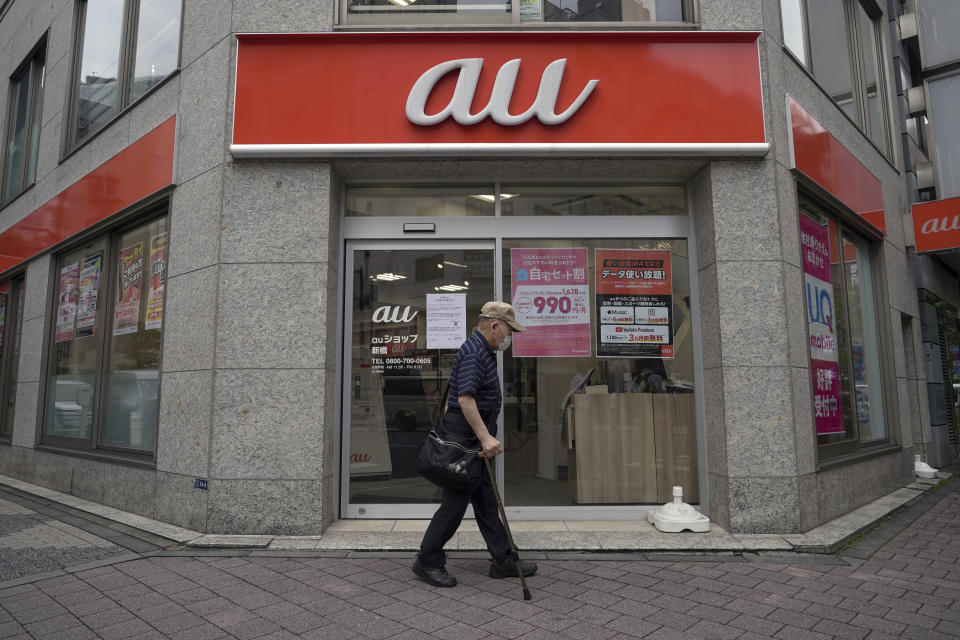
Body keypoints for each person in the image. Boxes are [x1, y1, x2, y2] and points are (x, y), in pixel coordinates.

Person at [413, 301, 538, 588]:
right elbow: (464, 399)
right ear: (495, 325)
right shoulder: (474, 353)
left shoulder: (480, 350)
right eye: (508, 331)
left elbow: (454, 398)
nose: (509, 338)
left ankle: (503, 560)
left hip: (469, 440)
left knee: (485, 501)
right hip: (468, 441)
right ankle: (427, 560)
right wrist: (484, 437)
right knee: (454, 506)